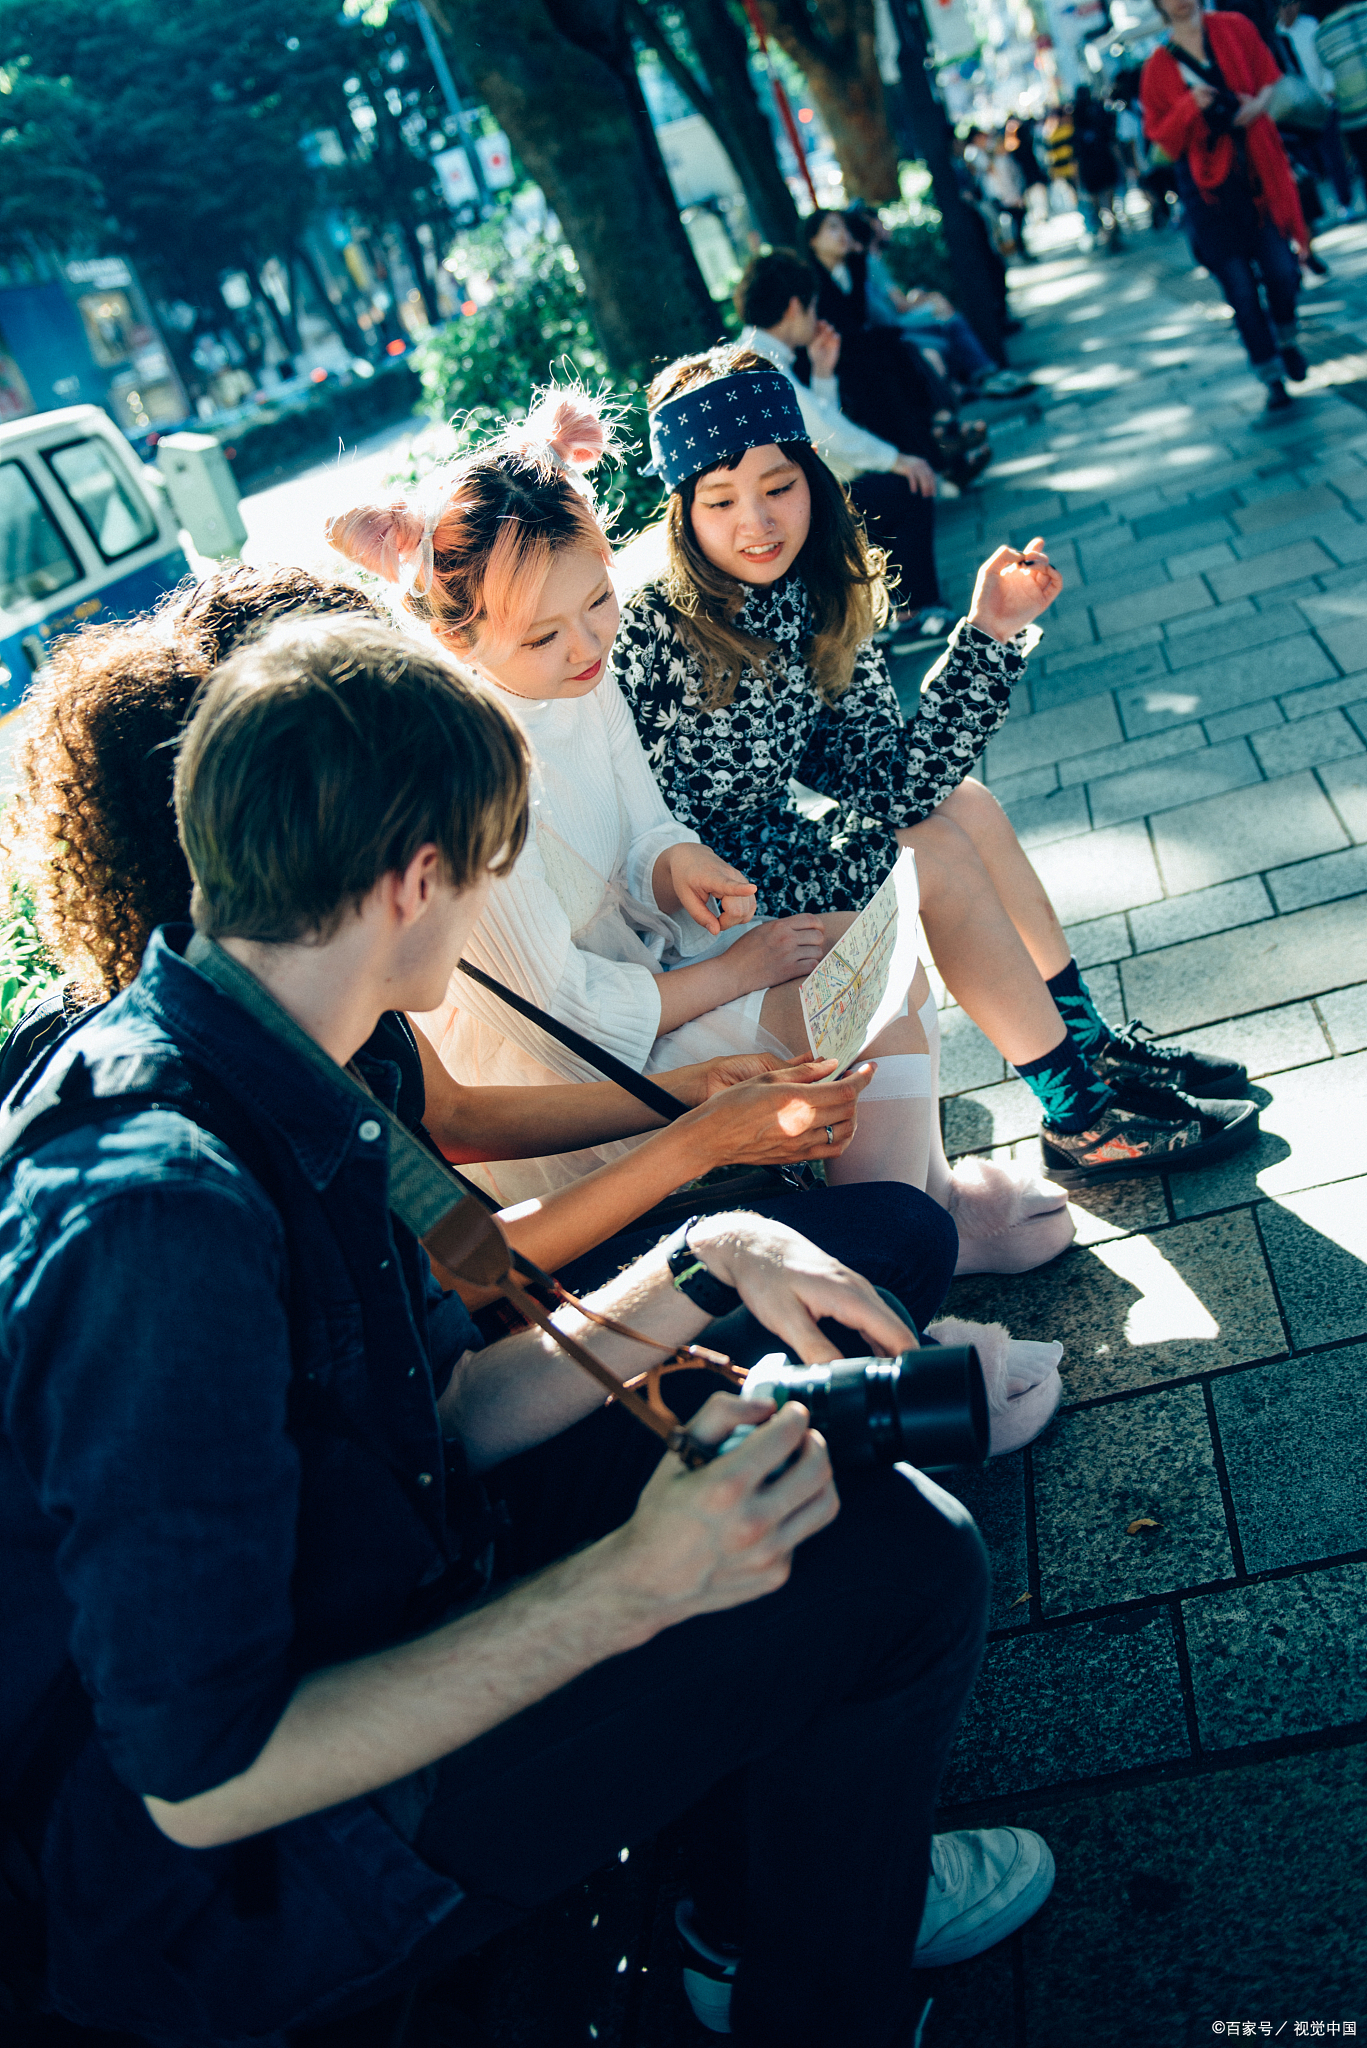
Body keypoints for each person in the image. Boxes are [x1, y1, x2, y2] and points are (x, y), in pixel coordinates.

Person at [0, 610, 1056, 2047]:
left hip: (398, 1584)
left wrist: (705, 1257)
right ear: (413, 880)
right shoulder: (153, 1219)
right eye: (486, 864)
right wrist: (638, 1580)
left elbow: (445, 1411)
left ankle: (796, 1938)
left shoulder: (268, 1040)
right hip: (249, 1888)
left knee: (887, 1529)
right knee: (894, 1575)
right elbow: (205, 1775)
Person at [4, 561, 1062, 1455]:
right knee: (889, 1268)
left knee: (891, 1240)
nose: (484, 890)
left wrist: (695, 1104)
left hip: (482, 1354)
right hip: (480, 1372)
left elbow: (455, 1142)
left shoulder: (292, 978)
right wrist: (695, 1150)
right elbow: (451, 1318)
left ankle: (874, 1352)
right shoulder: (179, 1157)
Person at [326, 395, 1074, 1288]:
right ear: (457, 638)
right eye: (543, 635)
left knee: (880, 954)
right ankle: (884, 1256)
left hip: (648, 973)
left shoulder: (577, 676)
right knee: (852, 995)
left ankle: (925, 1203)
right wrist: (734, 969)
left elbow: (645, 824)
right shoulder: (465, 773)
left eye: (599, 601)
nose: (587, 644)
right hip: (572, 1080)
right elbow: (564, 1019)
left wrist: (674, 861)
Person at [609, 347, 1260, 1195]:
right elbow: (617, 819)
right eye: (720, 500)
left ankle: (1086, 1046)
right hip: (700, 907)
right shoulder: (651, 623)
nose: (756, 522)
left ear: (812, 479)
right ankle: (1079, 1117)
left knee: (964, 805)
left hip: (774, 856)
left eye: (778, 485)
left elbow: (897, 783)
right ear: (683, 512)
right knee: (937, 856)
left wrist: (988, 634)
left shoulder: (813, 587)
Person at [734, 248, 948, 638]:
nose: (816, 318)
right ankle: (910, 615)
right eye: (813, 307)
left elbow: (816, 425)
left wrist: (822, 372)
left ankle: (901, 612)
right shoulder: (760, 363)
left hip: (776, 501)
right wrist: (898, 460)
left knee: (885, 486)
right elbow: (825, 432)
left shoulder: (753, 353)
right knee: (906, 487)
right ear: (795, 306)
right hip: (786, 507)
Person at [1142, 0, 1310, 409]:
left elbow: (1269, 75)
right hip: (1207, 194)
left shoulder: (1234, 28)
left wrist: (1257, 106)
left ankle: (1287, 338)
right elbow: (1162, 140)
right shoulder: (1157, 68)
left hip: (1257, 173)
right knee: (1241, 292)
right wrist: (1189, 107)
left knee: (1281, 272)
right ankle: (1270, 375)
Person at [802, 209, 992, 485]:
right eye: (832, 228)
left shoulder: (853, 265)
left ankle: (945, 442)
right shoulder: (811, 280)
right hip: (833, 363)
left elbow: (859, 320)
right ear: (812, 240)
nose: (842, 234)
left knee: (903, 357)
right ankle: (944, 446)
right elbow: (841, 330)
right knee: (895, 368)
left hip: (864, 353)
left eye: (843, 227)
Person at [1072, 85, 1126, 248]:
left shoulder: (1077, 123)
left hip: (1089, 170)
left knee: (1097, 207)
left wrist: (1078, 182)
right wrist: (1122, 164)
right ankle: (1112, 232)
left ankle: (1107, 234)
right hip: (1105, 164)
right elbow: (1111, 142)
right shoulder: (1099, 114)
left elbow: (1076, 158)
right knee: (1109, 205)